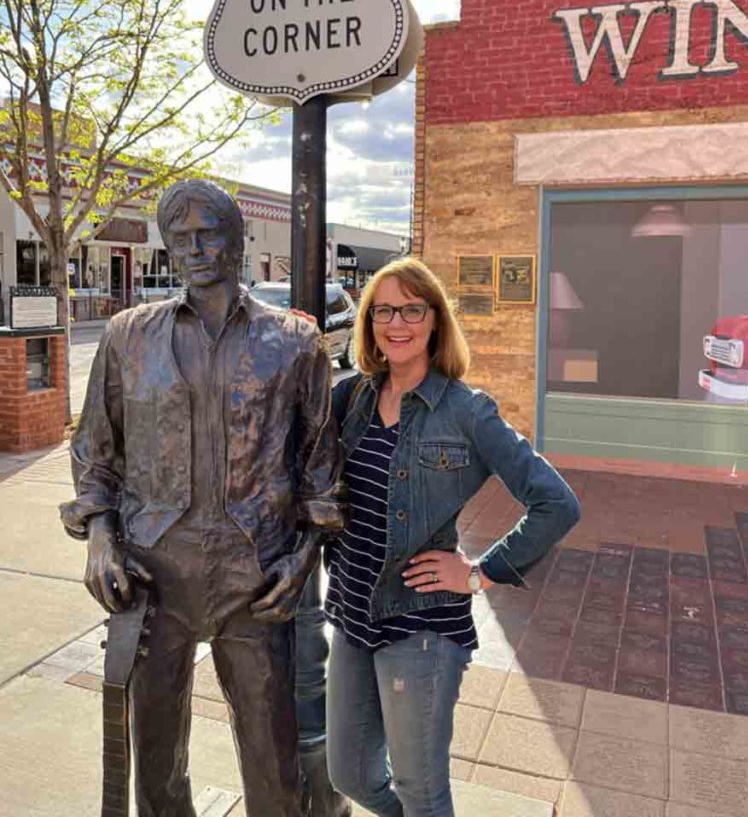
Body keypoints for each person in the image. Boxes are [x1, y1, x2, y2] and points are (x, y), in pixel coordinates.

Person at [60, 179, 343, 817]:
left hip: (257, 576)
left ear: (237, 240)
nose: (194, 247)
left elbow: (320, 471)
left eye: (207, 232)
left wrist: (303, 562)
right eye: (179, 236)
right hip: (154, 574)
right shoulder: (128, 336)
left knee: (273, 761)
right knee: (155, 759)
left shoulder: (293, 343)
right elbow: (95, 453)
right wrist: (100, 539)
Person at [324, 258, 580, 817]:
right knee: (348, 773)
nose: (398, 323)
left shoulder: (467, 411)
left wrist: (477, 573)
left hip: (420, 627)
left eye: (412, 309)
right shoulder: (354, 399)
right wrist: (291, 338)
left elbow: (557, 503)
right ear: (368, 323)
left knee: (420, 789)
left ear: (435, 321)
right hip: (351, 615)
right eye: (384, 311)